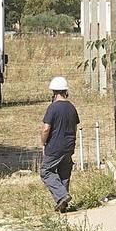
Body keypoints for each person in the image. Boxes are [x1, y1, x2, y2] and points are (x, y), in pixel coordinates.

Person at [39, 76, 80, 212]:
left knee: (46, 171)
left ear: (54, 93)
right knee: (64, 173)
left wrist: (43, 143)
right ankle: (63, 205)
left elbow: (46, 128)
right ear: (65, 91)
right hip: (69, 146)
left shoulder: (53, 108)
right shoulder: (72, 108)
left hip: (55, 147)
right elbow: (74, 128)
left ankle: (62, 195)